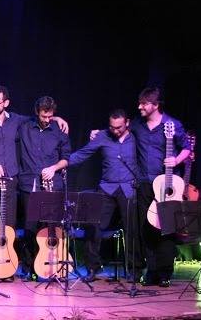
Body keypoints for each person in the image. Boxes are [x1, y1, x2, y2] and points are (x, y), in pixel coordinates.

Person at [0, 85, 68, 280]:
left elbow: (41, 119)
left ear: (6, 103)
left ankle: (7, 266)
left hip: (10, 179)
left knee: (9, 227)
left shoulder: (17, 121)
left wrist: (56, 118)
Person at [70, 109, 143, 282]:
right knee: (93, 224)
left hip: (128, 188)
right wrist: (61, 163)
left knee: (132, 229)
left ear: (127, 123)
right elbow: (82, 154)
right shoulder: (102, 136)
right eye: (112, 127)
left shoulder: (136, 137)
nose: (115, 131)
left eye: (119, 127)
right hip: (107, 188)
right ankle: (93, 268)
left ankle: (135, 270)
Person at [133, 86, 190, 287]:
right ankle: (151, 270)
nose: (139, 106)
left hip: (166, 184)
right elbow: (120, 131)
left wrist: (176, 160)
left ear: (155, 105)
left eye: (144, 103)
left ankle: (165, 272)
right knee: (146, 228)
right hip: (144, 183)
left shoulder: (172, 124)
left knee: (166, 228)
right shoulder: (137, 125)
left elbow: (187, 147)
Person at [17, 96, 71, 280]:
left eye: (51, 116)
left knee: (51, 226)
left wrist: (54, 168)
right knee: (30, 227)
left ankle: (52, 265)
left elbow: (66, 158)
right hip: (29, 183)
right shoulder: (24, 126)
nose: (47, 120)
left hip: (52, 184)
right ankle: (29, 266)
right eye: (44, 116)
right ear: (36, 112)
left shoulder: (59, 130)